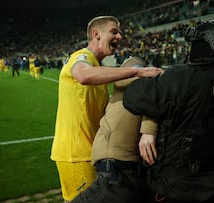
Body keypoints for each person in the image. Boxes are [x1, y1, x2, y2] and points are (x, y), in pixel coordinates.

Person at [123, 20, 214, 203]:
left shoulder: (187, 76)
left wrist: (142, 74)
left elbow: (133, 97)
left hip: (177, 187)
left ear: (206, 45)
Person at [50, 15, 162, 202]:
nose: (119, 36)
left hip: (90, 152)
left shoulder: (99, 69)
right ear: (96, 34)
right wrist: (136, 71)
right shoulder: (82, 57)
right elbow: (83, 75)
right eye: (114, 31)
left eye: (120, 32)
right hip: (76, 153)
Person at [71, 56, 158, 203]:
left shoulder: (136, 83)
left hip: (116, 174)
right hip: (119, 171)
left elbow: (154, 96)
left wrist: (150, 128)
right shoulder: (132, 92)